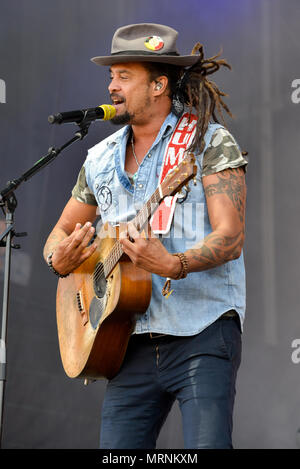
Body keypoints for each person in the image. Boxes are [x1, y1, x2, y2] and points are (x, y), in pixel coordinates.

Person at [43, 23, 248, 449]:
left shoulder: (206, 142)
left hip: (201, 332)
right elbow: (60, 231)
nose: (111, 86)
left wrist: (176, 264)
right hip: (126, 338)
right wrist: (56, 258)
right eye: (110, 76)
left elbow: (231, 235)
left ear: (159, 84)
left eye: (124, 76)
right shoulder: (98, 158)